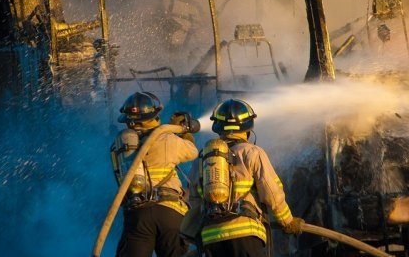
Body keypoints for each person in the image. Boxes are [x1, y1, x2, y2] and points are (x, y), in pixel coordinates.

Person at [183, 99, 304, 257]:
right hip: (245, 233)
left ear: (218, 128)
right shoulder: (252, 152)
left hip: (211, 238)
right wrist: (287, 221)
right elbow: (272, 194)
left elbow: (194, 200)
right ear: (248, 127)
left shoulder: (202, 159)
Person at [110, 91, 199, 257]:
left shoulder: (123, 145)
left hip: (138, 214)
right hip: (170, 212)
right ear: (154, 115)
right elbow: (192, 151)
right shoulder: (168, 139)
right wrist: (183, 132)